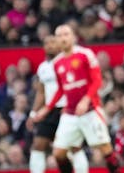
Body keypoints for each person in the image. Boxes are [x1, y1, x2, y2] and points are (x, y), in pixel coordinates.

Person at [33, 25, 119, 173]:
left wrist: (86, 100)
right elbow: (61, 89)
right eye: (59, 36)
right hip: (70, 114)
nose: (63, 38)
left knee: (105, 149)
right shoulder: (57, 63)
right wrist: (47, 109)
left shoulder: (85, 54)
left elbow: (97, 81)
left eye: (66, 34)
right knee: (58, 153)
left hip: (91, 110)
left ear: (73, 37)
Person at [29, 35, 89, 173]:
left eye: (53, 42)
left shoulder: (67, 61)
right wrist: (33, 113)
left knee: (74, 146)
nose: (49, 45)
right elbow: (41, 92)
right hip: (49, 111)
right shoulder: (42, 67)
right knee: (38, 145)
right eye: (46, 43)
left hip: (67, 109)